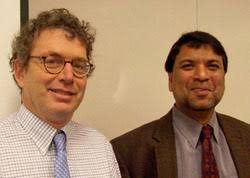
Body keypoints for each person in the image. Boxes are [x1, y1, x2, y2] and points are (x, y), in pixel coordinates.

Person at [0, 8, 121, 178]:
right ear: (20, 72)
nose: (68, 76)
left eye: (79, 65)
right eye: (52, 62)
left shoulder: (100, 148)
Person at [111, 31, 250, 178]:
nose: (202, 76)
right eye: (188, 66)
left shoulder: (246, 138)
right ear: (170, 80)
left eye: (212, 66)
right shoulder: (127, 152)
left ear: (224, 77)